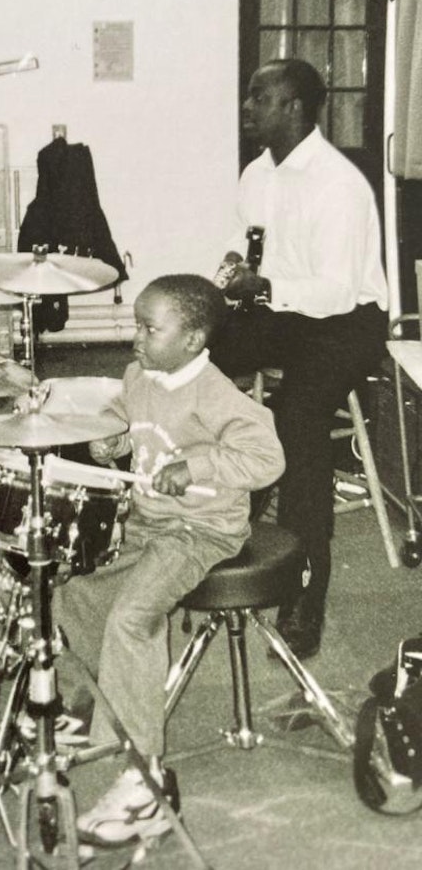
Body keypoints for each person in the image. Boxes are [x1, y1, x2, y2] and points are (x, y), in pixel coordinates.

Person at [53, 273, 285, 851]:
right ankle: (87, 712)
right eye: (136, 323)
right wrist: (111, 441)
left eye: (149, 328)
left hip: (199, 532)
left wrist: (199, 465)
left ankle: (144, 784)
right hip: (147, 522)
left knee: (133, 617)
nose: (135, 337)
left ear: (193, 338)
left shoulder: (218, 395)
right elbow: (123, 417)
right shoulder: (141, 374)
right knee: (73, 591)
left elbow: (266, 458)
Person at [209, 58, 388, 660]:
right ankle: (223, 514)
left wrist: (259, 290)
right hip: (285, 310)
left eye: (259, 98)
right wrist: (239, 268)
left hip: (348, 321)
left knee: (299, 418)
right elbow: (258, 248)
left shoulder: (339, 185)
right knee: (196, 354)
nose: (246, 107)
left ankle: (305, 590)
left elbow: (335, 291)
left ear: (294, 109)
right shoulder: (258, 172)